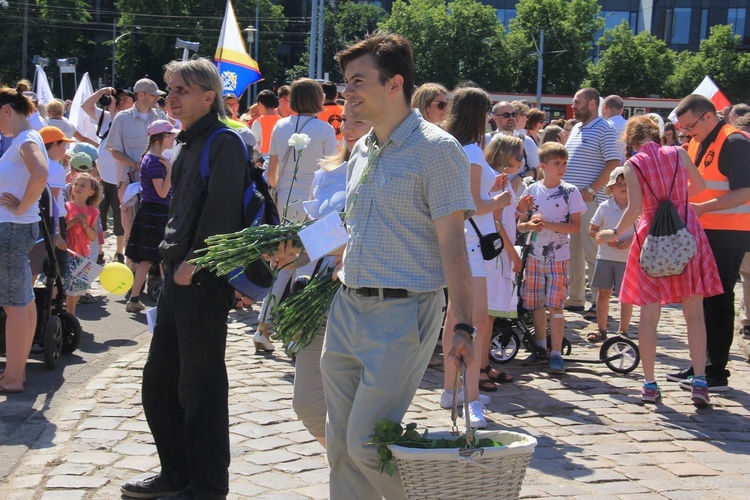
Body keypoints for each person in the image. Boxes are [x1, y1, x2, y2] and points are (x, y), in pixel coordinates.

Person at [318, 33, 475, 499]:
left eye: (357, 81)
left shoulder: (436, 149)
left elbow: (453, 245)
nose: (347, 92)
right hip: (346, 306)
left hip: (402, 313)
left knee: (367, 444)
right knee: (341, 448)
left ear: (395, 84)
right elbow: (355, 225)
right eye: (345, 82)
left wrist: (462, 323)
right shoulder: (362, 149)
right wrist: (303, 248)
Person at [120, 58, 247, 500]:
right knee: (160, 384)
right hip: (175, 276)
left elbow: (223, 213)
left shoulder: (223, 141)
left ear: (209, 96)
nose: (170, 97)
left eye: (181, 90)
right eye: (169, 89)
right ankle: (176, 474)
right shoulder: (186, 142)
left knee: (202, 386)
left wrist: (193, 263)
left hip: (201, 279)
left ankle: (208, 485)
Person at [597, 116, 722, 405]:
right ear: (657, 135)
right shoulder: (679, 152)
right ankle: (700, 382)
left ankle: (650, 384)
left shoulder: (633, 164)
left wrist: (613, 231)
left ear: (631, 141)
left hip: (651, 236)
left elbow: (635, 208)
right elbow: (700, 185)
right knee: (694, 313)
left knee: (649, 316)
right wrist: (676, 201)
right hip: (686, 231)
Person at [284, 103, 370, 448]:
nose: (348, 128)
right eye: (345, 121)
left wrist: (320, 244)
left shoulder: (387, 172)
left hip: (363, 297)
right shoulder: (326, 172)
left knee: (359, 408)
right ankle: (347, 467)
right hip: (321, 291)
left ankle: (357, 480)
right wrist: (291, 251)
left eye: (359, 121)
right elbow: (315, 232)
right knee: (308, 403)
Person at [667, 94, 750, 392]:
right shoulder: (699, 141)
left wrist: (705, 208)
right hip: (703, 230)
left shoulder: (735, 142)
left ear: (709, 116)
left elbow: (745, 191)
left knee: (718, 299)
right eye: (683, 128)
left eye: (690, 125)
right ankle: (700, 366)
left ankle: (716, 371)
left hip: (729, 232)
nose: (687, 132)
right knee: (699, 299)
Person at [440, 87, 512, 429]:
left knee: (460, 316)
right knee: (475, 319)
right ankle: (469, 398)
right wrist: (498, 201)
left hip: (467, 240)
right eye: (487, 111)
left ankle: (451, 389)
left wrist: (492, 192)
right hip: (470, 243)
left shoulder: (465, 148)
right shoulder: (469, 149)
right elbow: (470, 204)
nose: (491, 117)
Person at [255, 79, 337, 351]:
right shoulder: (324, 129)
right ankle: (294, 331)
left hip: (285, 199)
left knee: (283, 263)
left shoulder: (280, 125)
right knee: (304, 266)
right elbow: (329, 169)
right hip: (312, 200)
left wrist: (277, 196)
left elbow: (272, 170)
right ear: (317, 98)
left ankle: (264, 324)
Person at [517, 142, 587, 373]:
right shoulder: (532, 190)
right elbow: (520, 224)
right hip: (535, 257)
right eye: (557, 163)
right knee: (536, 303)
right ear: (543, 166)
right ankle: (540, 347)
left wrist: (548, 224)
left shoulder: (571, 191)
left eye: (564, 163)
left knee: (555, 305)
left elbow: (575, 227)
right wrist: (530, 225)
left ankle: (556, 352)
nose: (562, 168)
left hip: (558, 258)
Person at [0, 87, 49, 393]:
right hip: (18, 228)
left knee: (15, 305)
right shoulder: (27, 138)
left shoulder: (25, 138)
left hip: (11, 229)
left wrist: (20, 206)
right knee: (23, 302)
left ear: (6, 110)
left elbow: (40, 173)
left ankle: (14, 376)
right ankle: (15, 373)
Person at [564, 88, 621, 320]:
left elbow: (614, 162)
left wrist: (591, 190)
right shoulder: (577, 128)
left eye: (577, 102)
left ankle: (599, 302)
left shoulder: (605, 129)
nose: (573, 106)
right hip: (572, 202)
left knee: (593, 253)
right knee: (572, 253)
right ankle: (576, 298)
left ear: (591, 104)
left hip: (590, 202)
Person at [107, 79, 168, 254]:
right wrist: (137, 164)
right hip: (130, 183)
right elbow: (114, 150)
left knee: (157, 227)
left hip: (157, 183)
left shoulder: (161, 117)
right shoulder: (122, 118)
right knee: (131, 229)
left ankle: (152, 273)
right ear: (140, 95)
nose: (157, 98)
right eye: (153, 94)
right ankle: (132, 272)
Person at [124, 119, 177, 313]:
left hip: (151, 210)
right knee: (158, 257)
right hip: (156, 211)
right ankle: (161, 298)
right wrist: (171, 170)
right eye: (170, 135)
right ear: (161, 137)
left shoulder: (151, 157)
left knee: (146, 259)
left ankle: (135, 298)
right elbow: (162, 192)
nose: (173, 139)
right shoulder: (155, 161)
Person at [483, 134, 531, 350]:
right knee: (486, 315)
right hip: (496, 254)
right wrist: (513, 254)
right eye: (518, 156)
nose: (522, 161)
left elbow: (504, 219)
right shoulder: (498, 181)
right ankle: (482, 366)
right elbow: (496, 224)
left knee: (489, 315)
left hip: (500, 251)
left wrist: (519, 209)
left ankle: (483, 364)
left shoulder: (503, 180)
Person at [587, 166, 634, 341]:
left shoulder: (636, 208)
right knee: (603, 292)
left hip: (628, 258)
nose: (623, 187)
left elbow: (642, 231)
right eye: (619, 184)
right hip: (605, 256)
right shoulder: (605, 207)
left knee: (626, 296)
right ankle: (601, 328)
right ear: (612, 187)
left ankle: (623, 330)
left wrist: (629, 242)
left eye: (627, 184)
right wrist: (606, 238)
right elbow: (592, 229)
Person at [62, 172, 101, 317]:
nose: (78, 187)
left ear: (91, 192)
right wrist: (74, 220)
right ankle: (70, 317)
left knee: (79, 289)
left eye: (83, 185)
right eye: (76, 184)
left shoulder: (93, 211)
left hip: (83, 255)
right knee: (69, 292)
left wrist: (85, 226)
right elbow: (62, 228)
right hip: (68, 253)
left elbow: (92, 236)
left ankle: (69, 316)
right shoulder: (66, 207)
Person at [250, 89, 280, 156]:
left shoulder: (258, 122)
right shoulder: (282, 121)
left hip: (263, 159)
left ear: (260, 104)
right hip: (280, 159)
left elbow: (253, 145)